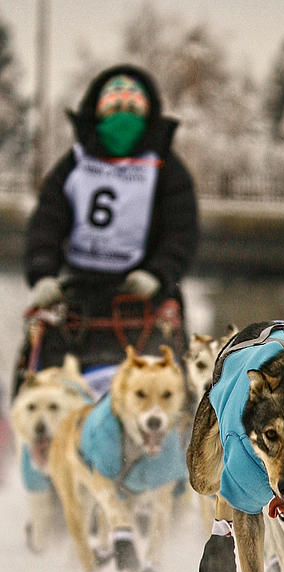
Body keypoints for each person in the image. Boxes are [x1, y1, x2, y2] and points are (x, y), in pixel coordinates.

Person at [16, 64, 198, 395]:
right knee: (34, 364)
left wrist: (158, 274)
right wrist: (43, 274)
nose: (123, 117)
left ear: (148, 114)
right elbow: (47, 221)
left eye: (132, 109)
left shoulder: (167, 169)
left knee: (172, 384)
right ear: (97, 113)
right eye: (115, 108)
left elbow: (181, 231)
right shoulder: (74, 164)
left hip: (142, 297)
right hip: (76, 293)